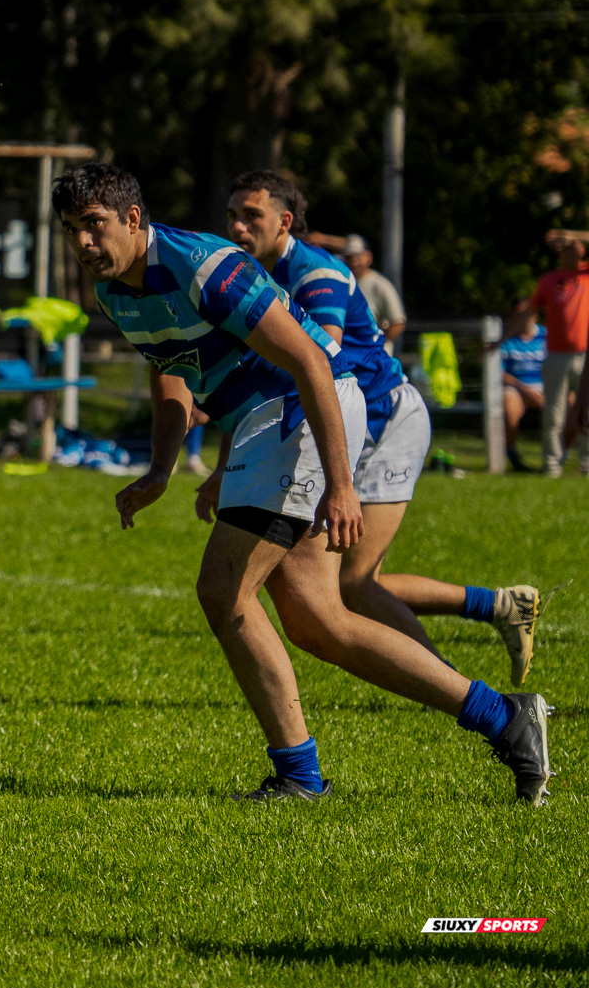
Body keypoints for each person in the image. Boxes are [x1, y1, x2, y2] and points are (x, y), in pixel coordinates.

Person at [57, 163, 551, 806]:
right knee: (318, 620)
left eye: (94, 225)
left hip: (299, 409)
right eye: (72, 230)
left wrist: (342, 486)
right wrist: (160, 468)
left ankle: (298, 776)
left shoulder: (207, 266)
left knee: (224, 589)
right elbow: (171, 372)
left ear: (131, 218)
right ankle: (505, 718)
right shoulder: (116, 292)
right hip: (268, 421)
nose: (84, 244)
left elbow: (311, 360)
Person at [221, 170, 544, 685]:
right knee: (343, 585)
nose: (237, 226)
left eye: (250, 215)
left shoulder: (314, 273)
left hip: (387, 420)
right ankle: (501, 608)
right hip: (344, 428)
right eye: (232, 215)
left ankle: (463, 694)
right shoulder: (257, 276)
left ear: (283, 222)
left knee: (352, 582)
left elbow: (319, 359)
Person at [510, 234, 589, 477]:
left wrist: (573, 234)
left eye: (575, 248)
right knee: (553, 414)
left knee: (587, 411)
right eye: (566, 249)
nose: (571, 253)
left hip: (586, 355)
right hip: (555, 356)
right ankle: (552, 465)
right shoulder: (549, 280)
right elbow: (528, 314)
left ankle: (587, 465)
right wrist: (500, 340)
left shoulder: (587, 277)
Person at [338, 235, 405, 354]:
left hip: (376, 357)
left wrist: (375, 343)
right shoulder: (342, 282)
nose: (354, 261)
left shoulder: (380, 285)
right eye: (349, 257)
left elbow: (398, 322)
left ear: (368, 257)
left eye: (358, 256)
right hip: (350, 352)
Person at [500, 317, 547, 472]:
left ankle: (558, 457)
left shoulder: (546, 336)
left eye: (526, 313)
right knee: (509, 403)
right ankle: (512, 456)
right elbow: (499, 372)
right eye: (518, 314)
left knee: (572, 402)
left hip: (546, 386)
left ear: (534, 315)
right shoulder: (507, 338)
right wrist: (524, 389)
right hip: (516, 387)